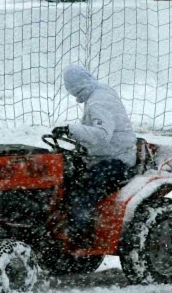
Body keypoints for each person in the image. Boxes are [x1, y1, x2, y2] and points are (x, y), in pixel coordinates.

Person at [52, 64, 137, 248]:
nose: (75, 96)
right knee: (66, 176)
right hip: (106, 154)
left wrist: (71, 129)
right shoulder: (99, 93)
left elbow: (101, 135)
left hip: (117, 158)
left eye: (73, 91)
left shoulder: (98, 101)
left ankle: (81, 232)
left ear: (75, 87)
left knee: (84, 186)